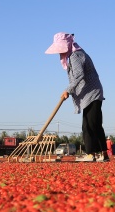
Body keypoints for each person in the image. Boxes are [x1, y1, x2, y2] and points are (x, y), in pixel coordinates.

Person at [45, 33, 108, 162]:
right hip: (91, 93)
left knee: (89, 125)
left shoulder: (75, 56)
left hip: (92, 93)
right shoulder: (76, 54)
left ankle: (91, 154)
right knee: (94, 124)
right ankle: (103, 154)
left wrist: (68, 90)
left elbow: (79, 75)